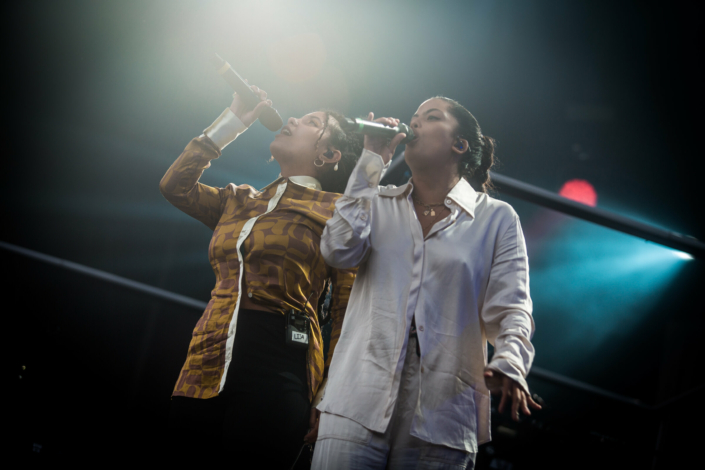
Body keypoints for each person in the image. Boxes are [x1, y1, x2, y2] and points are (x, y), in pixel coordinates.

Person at [312, 97, 541, 469]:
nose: (413, 124)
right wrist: (371, 160)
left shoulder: (496, 219)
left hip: (444, 410)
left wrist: (510, 363)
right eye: (413, 118)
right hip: (358, 397)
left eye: (431, 118)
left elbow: (512, 308)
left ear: (459, 144)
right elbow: (338, 251)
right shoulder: (377, 202)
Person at [159, 84, 361, 468]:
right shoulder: (238, 199)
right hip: (207, 358)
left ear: (329, 154)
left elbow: (346, 312)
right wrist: (234, 120)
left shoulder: (339, 211)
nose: (293, 120)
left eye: (313, 122)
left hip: (283, 365)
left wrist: (330, 396)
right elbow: (176, 187)